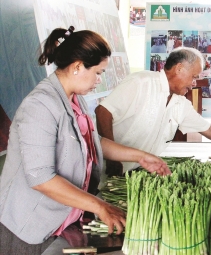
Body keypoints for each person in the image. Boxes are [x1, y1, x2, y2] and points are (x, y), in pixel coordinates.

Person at [0, 27, 171, 254]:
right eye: (98, 72)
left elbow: (90, 142)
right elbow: (40, 178)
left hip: (64, 219)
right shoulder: (40, 106)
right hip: (30, 226)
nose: (99, 80)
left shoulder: (73, 98)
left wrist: (140, 156)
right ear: (78, 66)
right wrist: (100, 206)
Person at [94, 47, 211, 174]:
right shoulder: (141, 82)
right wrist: (112, 157)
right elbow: (103, 112)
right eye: (193, 77)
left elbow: (210, 130)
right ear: (179, 69)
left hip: (134, 171)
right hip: (104, 168)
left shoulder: (180, 103)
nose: (194, 84)